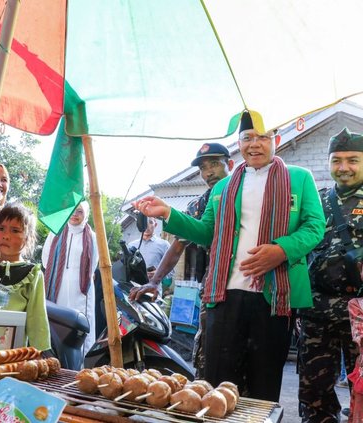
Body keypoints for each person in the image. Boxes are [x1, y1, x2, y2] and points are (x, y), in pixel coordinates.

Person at [133, 110, 325, 402]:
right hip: (225, 295)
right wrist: (168, 213)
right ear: (240, 142)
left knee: (264, 386)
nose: (255, 144)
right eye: (248, 138)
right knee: (217, 385)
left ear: (276, 138)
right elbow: (207, 232)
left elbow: (315, 227)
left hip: (274, 298)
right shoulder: (223, 187)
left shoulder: (299, 178)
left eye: (263, 137)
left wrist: (281, 250)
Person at [129, 143, 234, 378]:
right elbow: (178, 244)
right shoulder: (198, 205)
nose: (209, 172)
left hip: (252, 289)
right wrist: (154, 282)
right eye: (203, 168)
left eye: (215, 164)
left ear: (231, 165)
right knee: (210, 364)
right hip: (215, 291)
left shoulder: (246, 196)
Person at [298, 127, 363, 423]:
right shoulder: (316, 201)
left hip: (359, 314)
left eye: (353, 160)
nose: (344, 168)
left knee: (361, 391)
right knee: (314, 391)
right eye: (337, 160)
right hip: (317, 310)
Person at [0, 202, 51, 351]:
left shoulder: (32, 274)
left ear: (27, 238)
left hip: (10, 353)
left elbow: (36, 318)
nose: (6, 236)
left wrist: (41, 352)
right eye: (1, 228)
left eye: (15, 230)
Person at [42, 201, 99, 356]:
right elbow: (46, 260)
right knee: (58, 323)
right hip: (56, 287)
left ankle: (80, 363)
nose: (75, 214)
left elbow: (93, 263)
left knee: (79, 326)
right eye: (72, 210)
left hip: (80, 290)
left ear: (85, 214)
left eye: (80, 211)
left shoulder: (92, 237)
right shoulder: (55, 233)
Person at [128, 217, 173, 284]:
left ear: (155, 225)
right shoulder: (131, 245)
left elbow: (171, 270)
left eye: (150, 222)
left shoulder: (164, 245)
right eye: (144, 222)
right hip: (133, 288)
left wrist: (159, 273)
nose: (147, 226)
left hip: (153, 289)